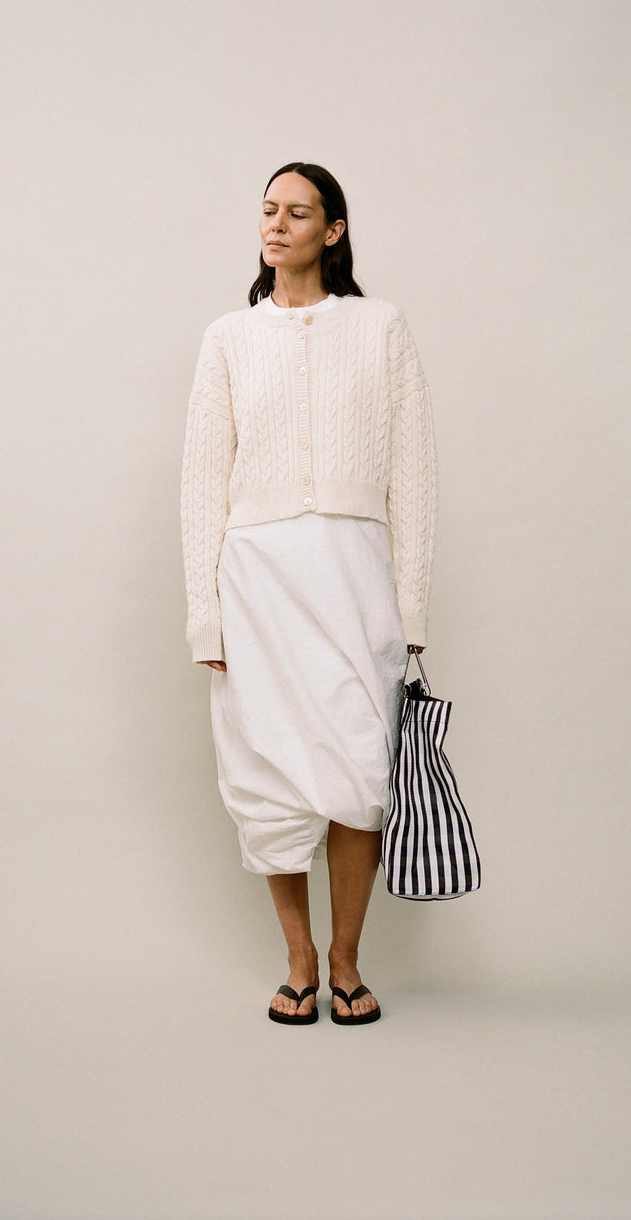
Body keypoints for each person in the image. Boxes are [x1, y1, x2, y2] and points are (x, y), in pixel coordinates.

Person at [180, 162, 437, 1025]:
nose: (277, 224)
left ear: (333, 230)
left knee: (361, 774)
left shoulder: (381, 328)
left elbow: (415, 478)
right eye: (267, 211)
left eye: (298, 212)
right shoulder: (228, 338)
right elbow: (200, 485)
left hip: (354, 576)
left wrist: (412, 611)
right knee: (268, 774)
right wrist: (203, 612)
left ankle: (347, 960)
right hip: (255, 581)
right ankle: (297, 961)